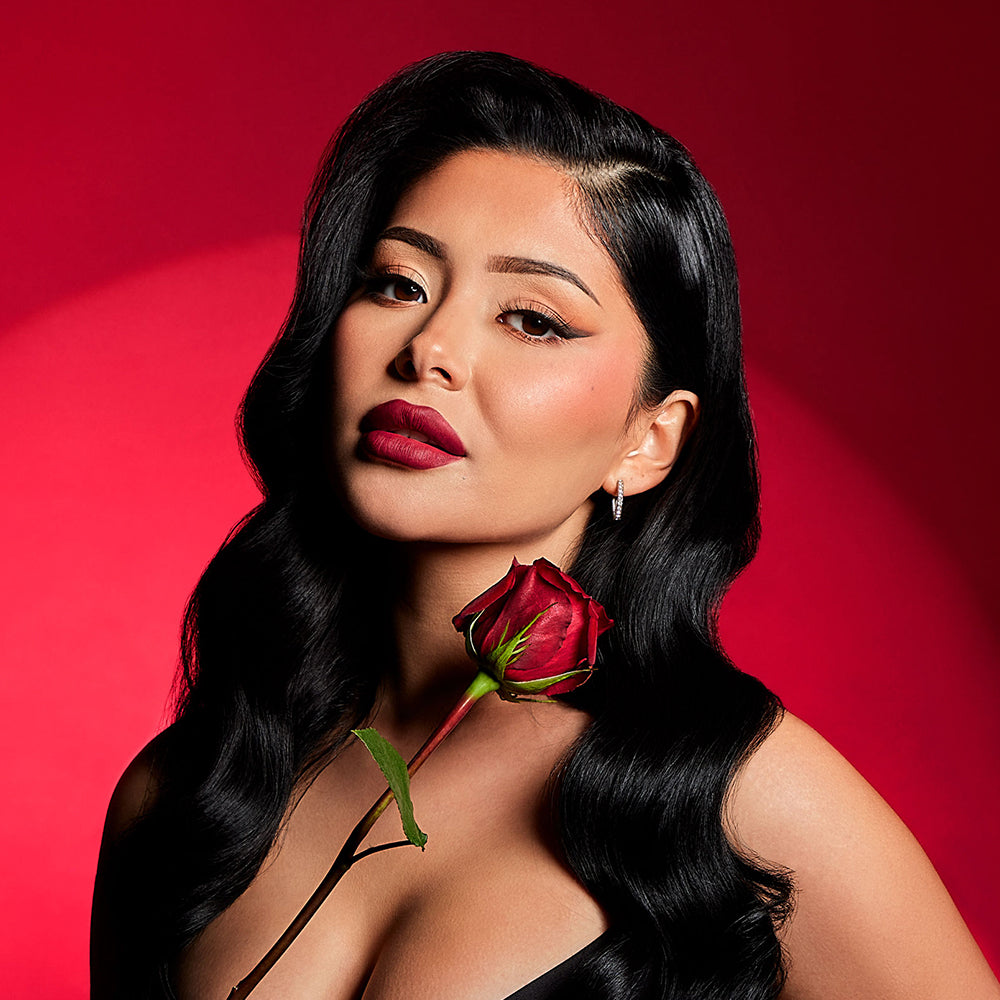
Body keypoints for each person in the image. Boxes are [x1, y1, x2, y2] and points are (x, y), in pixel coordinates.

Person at [90, 50, 1000, 1000]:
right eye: (398, 283)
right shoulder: (184, 796)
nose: (430, 349)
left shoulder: (743, 803)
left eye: (532, 319)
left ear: (648, 441)